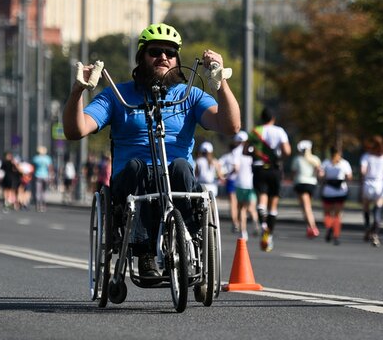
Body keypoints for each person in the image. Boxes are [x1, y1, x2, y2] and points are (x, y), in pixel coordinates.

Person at [63, 22, 240, 278]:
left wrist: (220, 81)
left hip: (177, 178)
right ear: (141, 57)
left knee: (180, 166)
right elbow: (75, 130)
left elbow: (231, 126)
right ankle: (144, 252)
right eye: (155, 51)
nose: (163, 57)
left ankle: (186, 239)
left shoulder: (190, 95)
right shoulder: (116, 95)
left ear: (178, 60)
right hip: (132, 181)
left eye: (170, 53)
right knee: (137, 166)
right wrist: (77, 91)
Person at [247, 107, 291, 252]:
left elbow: (245, 150)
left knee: (262, 198)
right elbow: (287, 151)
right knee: (273, 204)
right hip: (274, 169)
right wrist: (279, 158)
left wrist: (256, 154)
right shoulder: (279, 131)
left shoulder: (255, 131)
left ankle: (263, 223)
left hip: (259, 169)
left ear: (261, 118)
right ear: (273, 118)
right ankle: (269, 235)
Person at [360, 135, 383, 247]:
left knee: (366, 208)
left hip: (368, 183)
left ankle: (367, 229)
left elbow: (363, 171)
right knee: (377, 210)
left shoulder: (366, 156)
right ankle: (375, 234)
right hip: (379, 184)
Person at [320, 146, 352, 246]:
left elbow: (320, 176)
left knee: (327, 214)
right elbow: (349, 177)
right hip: (340, 191)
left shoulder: (326, 163)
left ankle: (329, 227)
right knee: (337, 215)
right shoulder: (344, 163)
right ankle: (336, 235)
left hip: (328, 190)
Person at [291, 140, 321, 239]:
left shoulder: (297, 159)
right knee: (306, 207)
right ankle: (309, 228)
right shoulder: (315, 159)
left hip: (301, 184)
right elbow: (319, 172)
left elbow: (294, 173)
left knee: (306, 207)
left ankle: (313, 227)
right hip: (312, 184)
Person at [232, 131, 258, 240]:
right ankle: (256, 225)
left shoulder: (235, 152)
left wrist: (228, 174)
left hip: (240, 183)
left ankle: (243, 232)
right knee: (252, 208)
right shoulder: (252, 150)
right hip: (251, 183)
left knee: (242, 208)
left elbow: (236, 168)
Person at [219, 142, 240, 232]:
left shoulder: (227, 156)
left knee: (233, 203)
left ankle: (235, 223)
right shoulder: (237, 156)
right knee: (238, 203)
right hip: (239, 181)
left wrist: (223, 176)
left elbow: (218, 164)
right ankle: (237, 222)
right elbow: (236, 169)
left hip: (232, 181)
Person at [32, 146, 53, 212]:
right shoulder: (48, 158)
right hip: (45, 176)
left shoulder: (36, 158)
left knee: (38, 191)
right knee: (44, 191)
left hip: (37, 175)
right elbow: (50, 168)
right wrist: (51, 175)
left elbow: (33, 167)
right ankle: (43, 205)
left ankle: (37, 205)